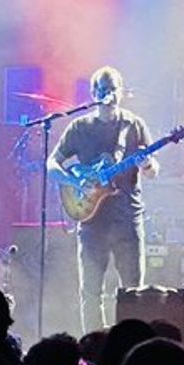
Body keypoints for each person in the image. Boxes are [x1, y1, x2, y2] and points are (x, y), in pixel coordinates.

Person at [49, 66, 158, 335]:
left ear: (121, 92)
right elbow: (52, 163)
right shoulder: (80, 127)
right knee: (90, 293)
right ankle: (93, 350)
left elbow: (154, 171)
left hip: (127, 218)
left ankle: (130, 348)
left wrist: (147, 165)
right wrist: (75, 182)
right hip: (91, 220)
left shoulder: (133, 125)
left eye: (112, 89)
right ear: (94, 94)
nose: (108, 94)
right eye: (102, 90)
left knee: (133, 292)